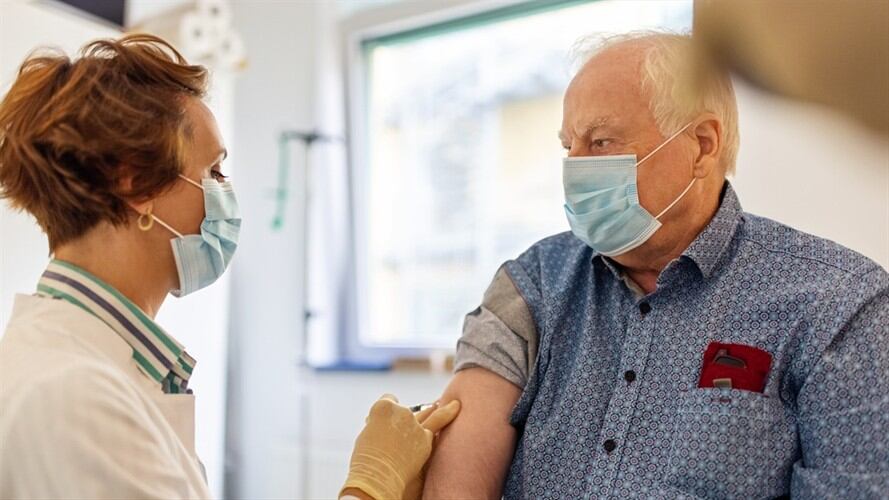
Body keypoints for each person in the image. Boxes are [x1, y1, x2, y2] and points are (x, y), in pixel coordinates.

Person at [423, 31, 889, 499]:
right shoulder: (533, 285)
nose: (575, 169)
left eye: (601, 142)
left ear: (703, 145)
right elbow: (460, 475)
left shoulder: (838, 307)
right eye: (570, 147)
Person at [0, 34, 458, 500]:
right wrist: (372, 484)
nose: (226, 195)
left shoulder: (83, 359)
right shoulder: (76, 395)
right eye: (214, 173)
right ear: (136, 184)